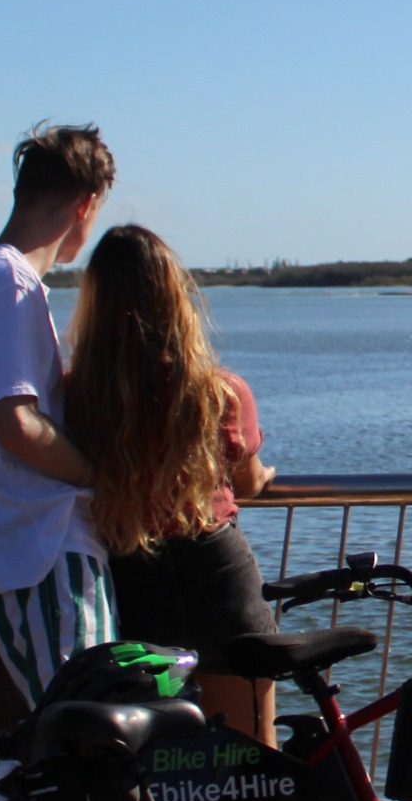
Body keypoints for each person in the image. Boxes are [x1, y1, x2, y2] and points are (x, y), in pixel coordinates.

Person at [63, 223, 281, 741]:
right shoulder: (218, 393)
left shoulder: (72, 399)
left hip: (127, 575)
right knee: (252, 754)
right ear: (176, 301)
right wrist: (266, 473)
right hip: (215, 569)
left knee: (149, 760)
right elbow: (248, 483)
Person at [0, 123, 118, 701]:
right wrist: (98, 477)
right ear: (85, 204)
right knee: (90, 729)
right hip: (46, 553)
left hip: (24, 553)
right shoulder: (10, 284)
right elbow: (13, 422)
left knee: (73, 728)